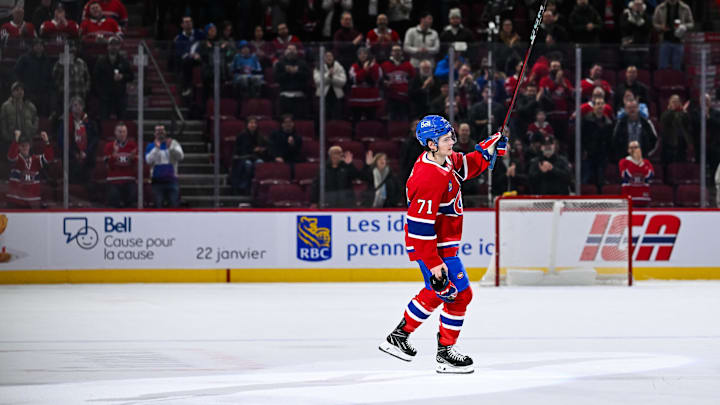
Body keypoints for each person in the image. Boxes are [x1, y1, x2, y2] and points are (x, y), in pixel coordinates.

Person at [379, 115, 507, 373]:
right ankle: (443, 352)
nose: (453, 142)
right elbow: (419, 226)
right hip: (433, 248)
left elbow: (466, 164)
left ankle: (400, 338)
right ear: (431, 144)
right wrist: (435, 264)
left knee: (446, 293)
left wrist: (488, 148)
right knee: (457, 294)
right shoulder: (429, 177)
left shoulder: (445, 159)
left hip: (442, 246)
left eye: (451, 137)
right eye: (447, 139)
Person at [57, 96, 98, 184]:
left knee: (87, 169)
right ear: (71, 108)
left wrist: (86, 152)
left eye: (80, 105)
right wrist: (75, 153)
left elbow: (94, 139)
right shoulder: (65, 122)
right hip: (71, 155)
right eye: (75, 105)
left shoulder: (89, 123)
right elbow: (62, 142)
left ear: (83, 107)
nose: (78, 107)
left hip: (86, 155)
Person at [7, 130, 53, 208]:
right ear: (19, 147)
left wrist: (46, 141)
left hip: (33, 202)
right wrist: (16, 139)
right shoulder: (17, 159)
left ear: (29, 146)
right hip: (16, 202)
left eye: (26, 145)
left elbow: (49, 157)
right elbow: (11, 156)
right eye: (22, 146)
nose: (25, 147)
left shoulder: (36, 160)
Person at [93, 35, 133, 119]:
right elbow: (95, 78)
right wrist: (100, 93)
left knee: (122, 119)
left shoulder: (123, 61)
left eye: (116, 45)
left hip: (120, 96)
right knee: (104, 121)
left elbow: (131, 76)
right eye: (111, 45)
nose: (113, 47)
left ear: (119, 46)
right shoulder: (101, 61)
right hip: (105, 97)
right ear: (108, 46)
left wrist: (122, 76)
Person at [145, 125, 184, 208]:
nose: (160, 133)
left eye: (162, 131)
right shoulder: (151, 146)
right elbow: (148, 160)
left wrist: (171, 148)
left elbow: (180, 157)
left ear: (165, 132)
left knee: (174, 205)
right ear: (154, 133)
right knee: (158, 205)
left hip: (171, 180)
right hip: (157, 181)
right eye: (158, 131)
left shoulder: (173, 143)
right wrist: (156, 148)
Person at [14, 38, 53, 117]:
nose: (39, 47)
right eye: (36, 45)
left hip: (43, 95)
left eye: (41, 45)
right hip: (28, 94)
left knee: (42, 117)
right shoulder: (24, 59)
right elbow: (16, 73)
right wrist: (22, 88)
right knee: (28, 116)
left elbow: (50, 77)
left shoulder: (47, 60)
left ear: (43, 47)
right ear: (33, 46)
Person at [580, 95, 613, 187]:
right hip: (588, 154)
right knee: (585, 178)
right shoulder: (586, 119)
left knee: (600, 180)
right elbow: (581, 136)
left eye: (602, 104)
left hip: (602, 155)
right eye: (598, 104)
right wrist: (583, 150)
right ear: (594, 106)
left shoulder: (608, 122)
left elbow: (609, 140)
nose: (600, 106)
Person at [230, 117, 268, 195]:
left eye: (254, 123)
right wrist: (253, 150)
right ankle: (244, 186)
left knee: (260, 163)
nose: (253, 125)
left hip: (256, 157)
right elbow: (239, 150)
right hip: (244, 157)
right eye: (251, 123)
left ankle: (255, 187)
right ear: (247, 125)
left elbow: (266, 147)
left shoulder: (260, 135)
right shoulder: (241, 135)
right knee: (248, 165)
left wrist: (261, 149)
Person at [103, 121, 137, 208]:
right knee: (114, 203)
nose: (122, 134)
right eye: (120, 131)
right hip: (113, 180)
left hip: (129, 179)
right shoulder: (109, 146)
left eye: (124, 131)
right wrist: (114, 154)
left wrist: (134, 158)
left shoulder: (132, 145)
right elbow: (107, 164)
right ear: (115, 132)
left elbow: (136, 164)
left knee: (132, 202)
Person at [653, 0, 693, 71]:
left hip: (679, 41)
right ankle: (663, 81)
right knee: (663, 67)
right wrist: (661, 27)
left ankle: (676, 81)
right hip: (665, 40)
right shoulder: (660, 8)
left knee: (677, 67)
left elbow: (691, 23)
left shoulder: (685, 7)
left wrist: (683, 26)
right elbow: (654, 23)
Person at [1, 82, 38, 158]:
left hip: (27, 141)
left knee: (28, 165)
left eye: (21, 89)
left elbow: (36, 119)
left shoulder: (30, 106)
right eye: (17, 90)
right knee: (14, 165)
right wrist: (7, 137)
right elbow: (3, 124)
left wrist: (32, 131)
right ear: (12, 92)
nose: (20, 92)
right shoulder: (6, 106)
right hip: (12, 141)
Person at [51, 41, 90, 108]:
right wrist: (61, 89)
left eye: (74, 48)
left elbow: (88, 78)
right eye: (71, 48)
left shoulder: (81, 62)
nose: (73, 49)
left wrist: (86, 89)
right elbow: (54, 78)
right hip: (67, 96)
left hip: (80, 95)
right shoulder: (61, 62)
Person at [274, 44, 310, 118]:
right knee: (285, 118)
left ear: (296, 51)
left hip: (299, 95)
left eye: (293, 49)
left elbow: (307, 77)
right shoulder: (280, 64)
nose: (291, 51)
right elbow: (277, 78)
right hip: (285, 95)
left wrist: (297, 72)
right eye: (289, 49)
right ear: (285, 51)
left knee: (299, 119)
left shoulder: (302, 63)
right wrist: (287, 72)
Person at [173, 16, 203, 97]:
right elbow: (179, 53)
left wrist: (199, 54)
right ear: (182, 25)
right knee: (187, 62)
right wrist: (190, 55)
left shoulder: (199, 33)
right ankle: (187, 87)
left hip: (200, 58)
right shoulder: (179, 38)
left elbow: (205, 45)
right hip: (186, 60)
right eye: (186, 22)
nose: (188, 23)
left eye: (190, 21)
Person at [313, 50, 346, 121]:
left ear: (333, 57)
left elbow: (343, 82)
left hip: (337, 97)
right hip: (322, 97)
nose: (329, 58)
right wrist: (328, 75)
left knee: (337, 119)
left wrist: (332, 77)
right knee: (323, 119)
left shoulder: (339, 67)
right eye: (326, 56)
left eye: (330, 56)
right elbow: (317, 81)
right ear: (323, 58)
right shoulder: (318, 67)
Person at [660, 94, 693, 163]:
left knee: (681, 163)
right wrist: (672, 110)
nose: (675, 103)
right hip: (669, 144)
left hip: (682, 143)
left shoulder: (683, 113)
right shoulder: (665, 114)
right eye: (673, 101)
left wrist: (683, 111)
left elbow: (687, 122)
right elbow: (666, 120)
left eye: (677, 101)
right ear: (669, 103)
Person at [619, 140, 654, 206]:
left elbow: (649, 177)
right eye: (631, 148)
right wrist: (638, 165)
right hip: (629, 199)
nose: (633, 150)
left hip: (644, 198)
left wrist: (640, 163)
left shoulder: (646, 162)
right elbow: (626, 175)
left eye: (636, 147)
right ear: (628, 150)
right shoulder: (623, 161)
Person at [620, 0, 652, 68]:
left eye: (640, 5)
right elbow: (623, 27)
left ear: (643, 6)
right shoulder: (626, 15)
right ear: (632, 6)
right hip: (629, 46)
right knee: (630, 65)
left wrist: (640, 21)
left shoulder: (646, 16)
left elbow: (647, 29)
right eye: (636, 5)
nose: (638, 7)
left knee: (642, 66)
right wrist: (631, 20)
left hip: (642, 46)